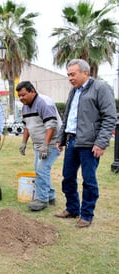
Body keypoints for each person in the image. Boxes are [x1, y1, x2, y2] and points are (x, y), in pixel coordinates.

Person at [55, 59, 116, 228]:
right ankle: (72, 208)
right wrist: (61, 138)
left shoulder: (101, 88)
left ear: (85, 73)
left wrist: (101, 143)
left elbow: (110, 117)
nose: (70, 78)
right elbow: (68, 117)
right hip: (72, 141)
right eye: (68, 75)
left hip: (90, 144)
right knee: (68, 177)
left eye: (73, 74)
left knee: (88, 181)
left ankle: (87, 215)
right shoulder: (73, 92)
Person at [16, 81, 62, 211]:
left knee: (42, 170)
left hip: (51, 143)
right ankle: (50, 196)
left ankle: (42, 200)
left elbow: (51, 124)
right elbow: (27, 126)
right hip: (38, 144)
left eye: (23, 95)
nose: (21, 98)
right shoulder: (25, 106)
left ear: (32, 91)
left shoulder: (44, 102)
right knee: (40, 170)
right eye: (19, 96)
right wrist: (24, 142)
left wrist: (46, 144)